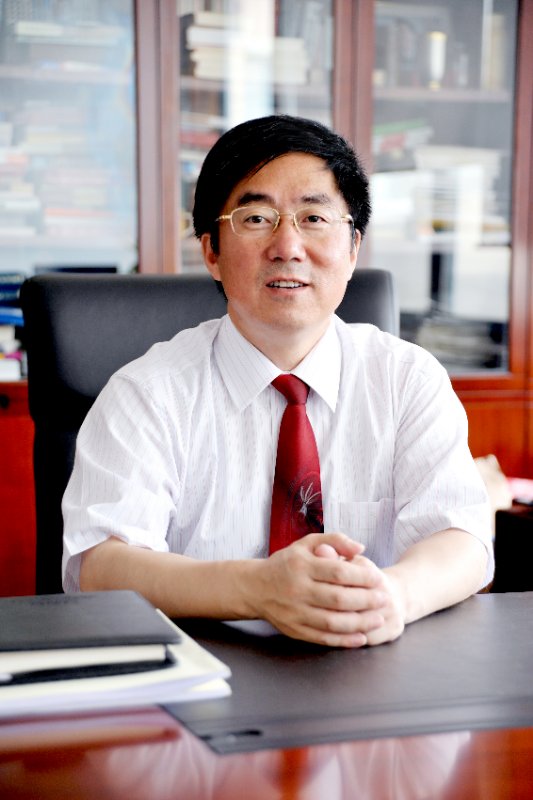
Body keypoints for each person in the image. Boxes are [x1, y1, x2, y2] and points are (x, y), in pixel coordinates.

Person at [62, 114, 493, 648]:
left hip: (368, 663)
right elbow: (100, 565)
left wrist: (393, 597)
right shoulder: (148, 392)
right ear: (212, 252)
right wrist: (256, 588)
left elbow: (461, 535)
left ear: (353, 249)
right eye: (257, 218)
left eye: (314, 218)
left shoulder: (407, 380)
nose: (287, 245)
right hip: (204, 672)